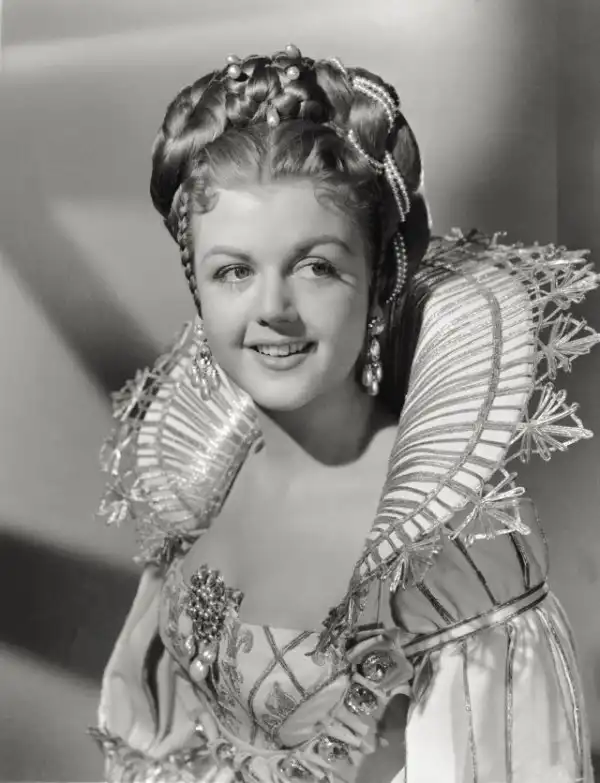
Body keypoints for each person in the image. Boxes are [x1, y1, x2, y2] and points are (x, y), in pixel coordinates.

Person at [90, 45, 598, 782]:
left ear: (378, 282)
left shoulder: (451, 542)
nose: (273, 309)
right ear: (198, 289)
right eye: (234, 271)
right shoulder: (206, 484)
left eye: (317, 266)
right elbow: (156, 739)